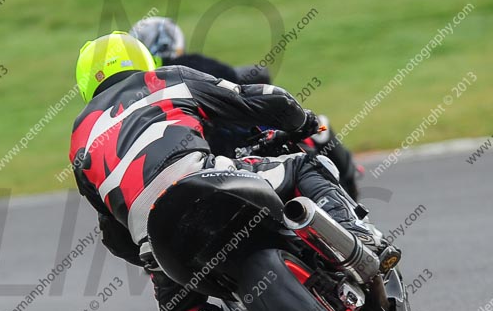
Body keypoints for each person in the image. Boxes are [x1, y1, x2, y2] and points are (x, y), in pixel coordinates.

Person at [71, 32, 384, 311]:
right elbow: (255, 98)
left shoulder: (79, 140)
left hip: (155, 235)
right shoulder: (165, 78)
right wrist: (303, 121)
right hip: (205, 182)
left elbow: (113, 235)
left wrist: (148, 251)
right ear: (142, 58)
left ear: (85, 82)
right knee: (302, 164)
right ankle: (356, 236)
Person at [129, 17, 362, 199]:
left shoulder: (133, 101)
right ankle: (350, 205)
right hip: (240, 153)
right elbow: (236, 87)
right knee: (317, 132)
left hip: (189, 177)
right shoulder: (191, 66)